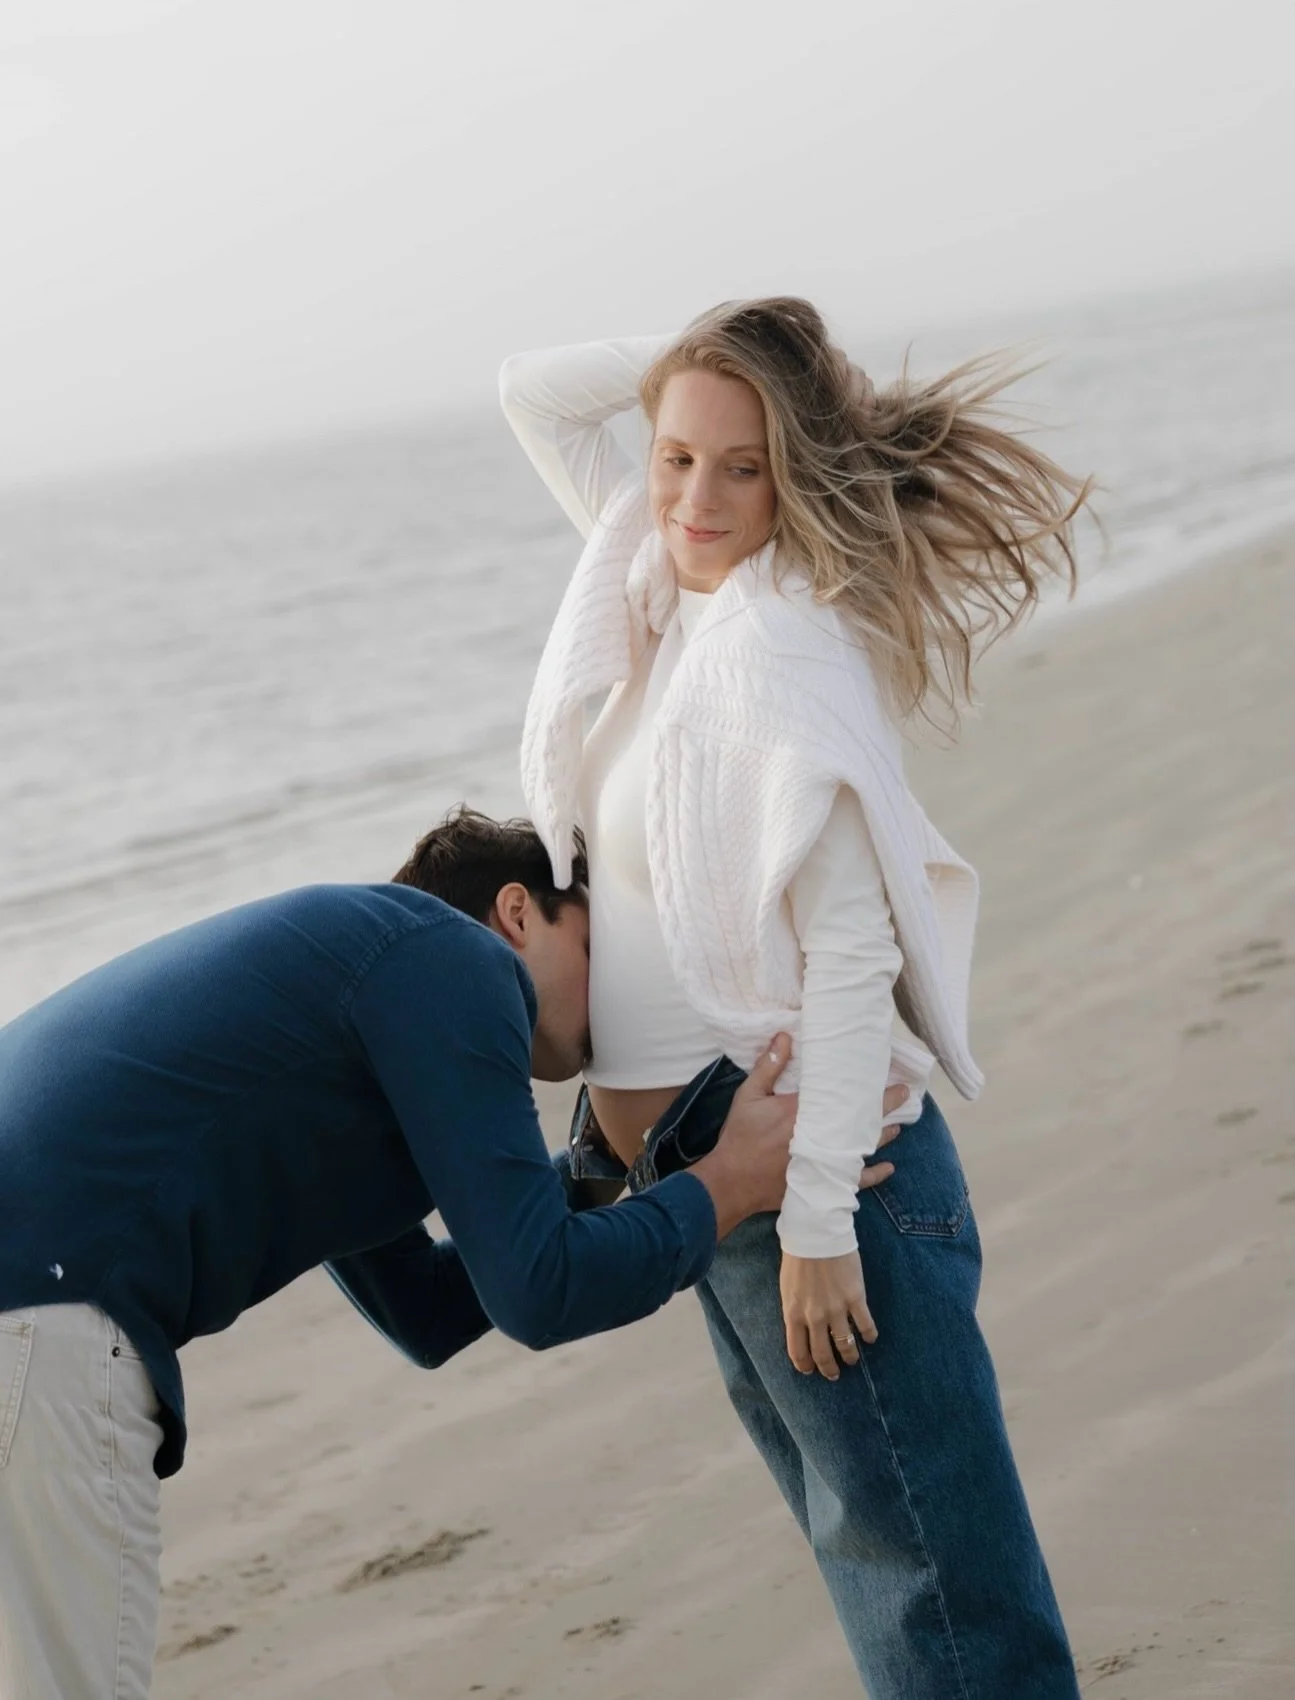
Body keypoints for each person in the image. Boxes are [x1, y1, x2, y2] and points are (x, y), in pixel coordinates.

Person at [500, 297, 1093, 1697]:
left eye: (742, 465)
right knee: (879, 1570)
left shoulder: (785, 651)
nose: (694, 495)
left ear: (795, 472)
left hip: (822, 1186)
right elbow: (532, 388)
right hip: (711, 1177)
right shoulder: (657, 586)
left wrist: (821, 1219)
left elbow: (849, 955)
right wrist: (728, 349)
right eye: (672, 457)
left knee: (940, 1605)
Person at [0, 817, 826, 1700]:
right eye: (597, 945)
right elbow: (539, 1292)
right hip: (42, 1304)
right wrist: (725, 1183)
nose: (617, 998)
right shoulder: (447, 957)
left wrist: (595, 1165)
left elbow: (425, 1310)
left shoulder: (347, 1008)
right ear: (517, 913)